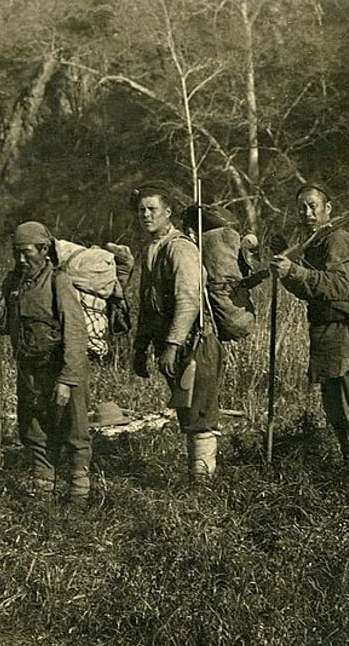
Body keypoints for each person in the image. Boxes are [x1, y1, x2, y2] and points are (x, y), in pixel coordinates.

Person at [269, 184, 349, 493]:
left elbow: (336, 287)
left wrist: (295, 270)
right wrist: (290, 270)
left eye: (313, 206)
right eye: (301, 208)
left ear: (328, 208)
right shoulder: (315, 244)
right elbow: (311, 290)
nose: (307, 213)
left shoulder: (339, 240)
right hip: (326, 339)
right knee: (336, 415)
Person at [0, 221, 92, 503]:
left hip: (60, 370)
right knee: (34, 430)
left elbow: (75, 332)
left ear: (44, 250)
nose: (21, 260)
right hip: (30, 372)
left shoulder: (59, 282)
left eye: (27, 252)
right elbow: (11, 325)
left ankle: (79, 497)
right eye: (16, 253)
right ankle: (43, 492)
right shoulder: (13, 283)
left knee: (74, 430)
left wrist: (67, 380)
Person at [130, 182, 224, 481]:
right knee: (187, 410)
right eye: (141, 210)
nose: (146, 215)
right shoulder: (150, 250)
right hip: (172, 346)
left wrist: (171, 345)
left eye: (152, 209)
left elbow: (188, 300)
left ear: (167, 212)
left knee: (199, 414)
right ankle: (197, 477)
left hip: (195, 344)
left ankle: (203, 485)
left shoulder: (180, 248)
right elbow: (148, 305)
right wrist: (140, 348)